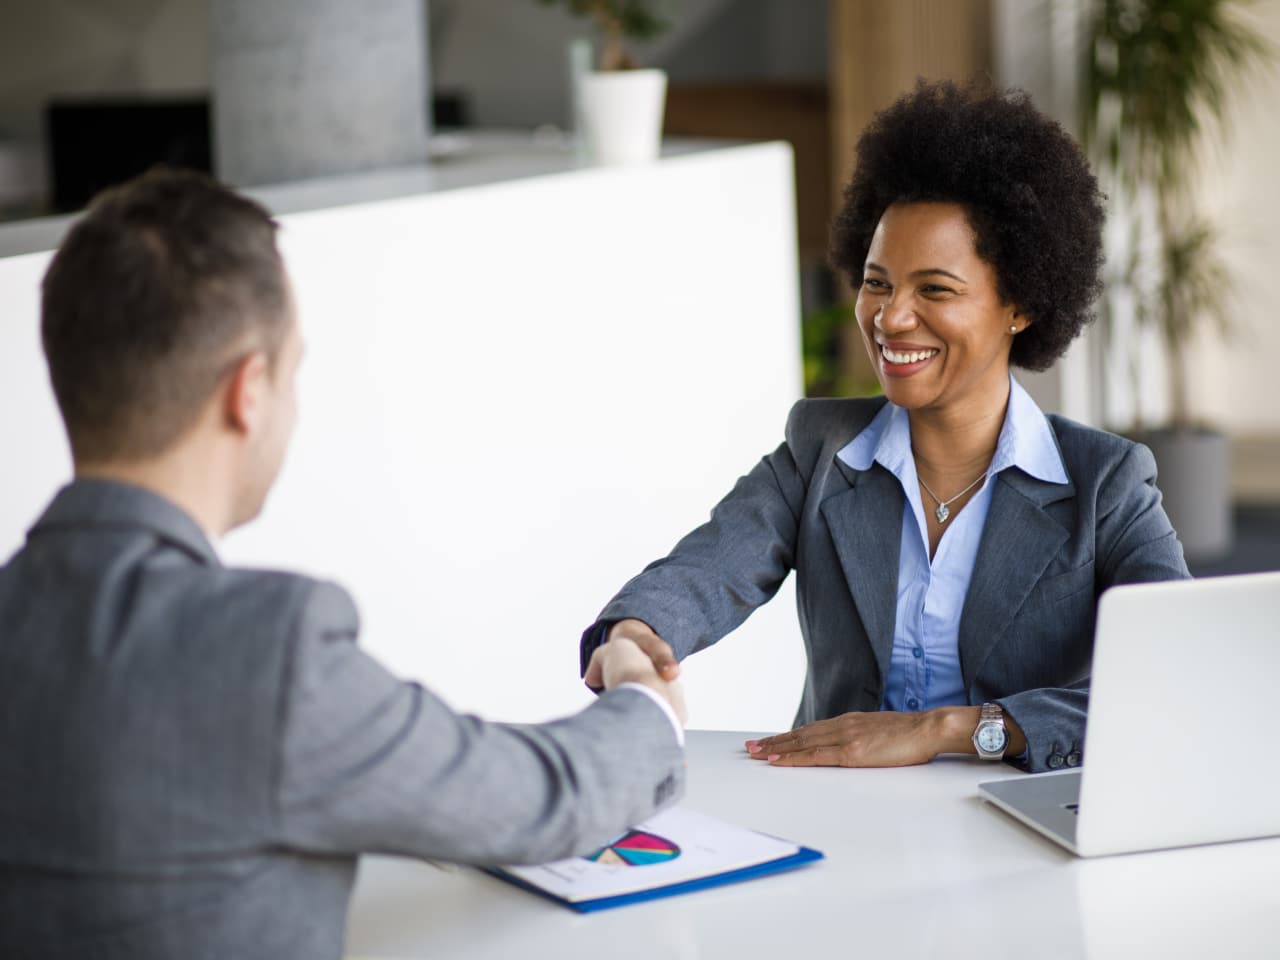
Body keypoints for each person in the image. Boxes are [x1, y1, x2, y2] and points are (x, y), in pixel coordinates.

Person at [0, 169, 686, 960]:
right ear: (248, 391)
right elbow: (540, 799)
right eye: (293, 371)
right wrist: (646, 703)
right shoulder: (265, 653)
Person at [580, 80, 1190, 774]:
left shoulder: (1104, 483)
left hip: (1018, 811)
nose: (891, 317)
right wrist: (635, 638)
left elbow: (1178, 674)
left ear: (1020, 306)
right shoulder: (821, 450)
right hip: (839, 808)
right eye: (877, 283)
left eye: (935, 289)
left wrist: (947, 729)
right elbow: (703, 571)